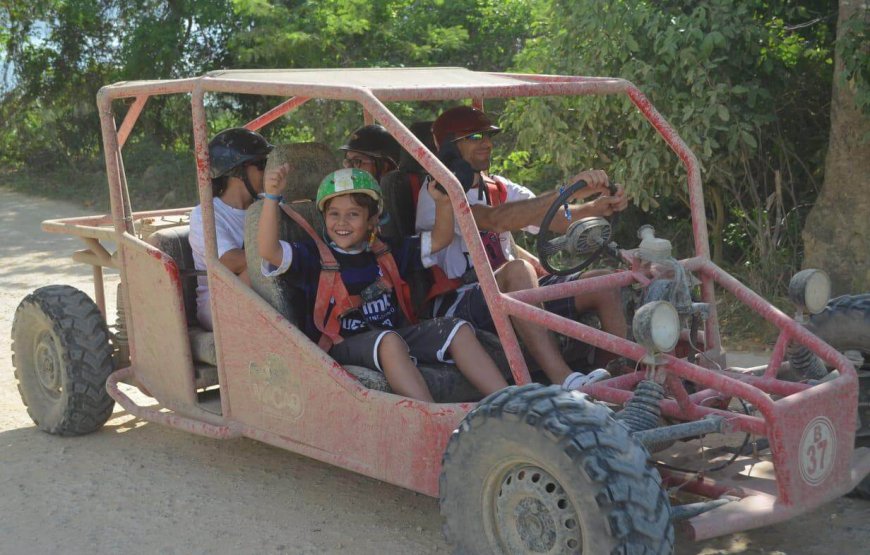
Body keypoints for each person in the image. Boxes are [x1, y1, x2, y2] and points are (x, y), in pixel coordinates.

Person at [416, 105, 630, 387]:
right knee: (519, 269)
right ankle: (565, 380)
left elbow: (551, 217)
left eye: (488, 136)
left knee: (604, 283)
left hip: (507, 290)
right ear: (449, 147)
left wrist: (594, 207)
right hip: (458, 299)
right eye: (476, 137)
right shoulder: (438, 192)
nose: (488, 144)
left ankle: (618, 380)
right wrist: (568, 188)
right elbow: (493, 220)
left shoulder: (497, 186)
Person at [257, 166, 509, 402]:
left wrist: (443, 202)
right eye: (334, 214)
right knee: (388, 341)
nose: (342, 223)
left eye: (353, 215)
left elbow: (440, 239)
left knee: (456, 329)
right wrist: (271, 198)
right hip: (344, 345)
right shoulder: (313, 257)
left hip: (393, 337)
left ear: (371, 220)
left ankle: (508, 402)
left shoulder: (386, 252)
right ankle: (430, 418)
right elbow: (269, 251)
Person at [189, 127, 273, 330]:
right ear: (237, 171)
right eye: (262, 164)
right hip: (219, 301)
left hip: (261, 294)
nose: (268, 170)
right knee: (259, 267)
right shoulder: (205, 214)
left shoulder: (266, 205)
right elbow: (231, 263)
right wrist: (286, 255)